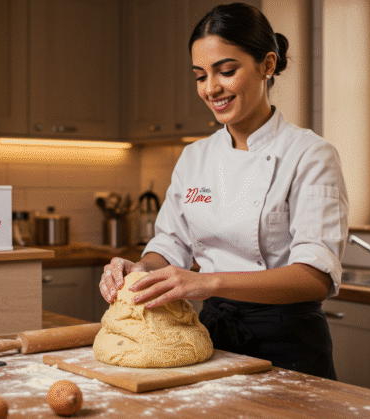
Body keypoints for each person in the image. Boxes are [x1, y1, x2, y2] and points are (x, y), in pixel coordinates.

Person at [99, 2, 348, 380]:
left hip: (289, 344)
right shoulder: (195, 157)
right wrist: (141, 270)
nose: (211, 88)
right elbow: (171, 244)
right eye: (200, 76)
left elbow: (315, 278)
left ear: (267, 65)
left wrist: (206, 282)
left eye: (226, 71)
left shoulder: (310, 154)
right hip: (212, 337)